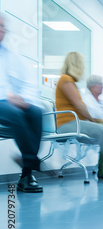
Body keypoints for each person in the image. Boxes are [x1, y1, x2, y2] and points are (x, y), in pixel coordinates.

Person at [55, 52, 103, 179]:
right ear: (77, 64)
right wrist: (92, 121)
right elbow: (79, 105)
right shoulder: (66, 79)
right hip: (67, 124)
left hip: (75, 123)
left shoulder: (70, 81)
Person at [0, 14, 44, 192]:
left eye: (3, 27)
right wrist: (8, 96)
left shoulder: (11, 55)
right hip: (3, 103)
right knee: (16, 114)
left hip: (11, 103)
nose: (1, 30)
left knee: (36, 113)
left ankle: (26, 174)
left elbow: (27, 82)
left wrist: (23, 99)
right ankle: (32, 163)